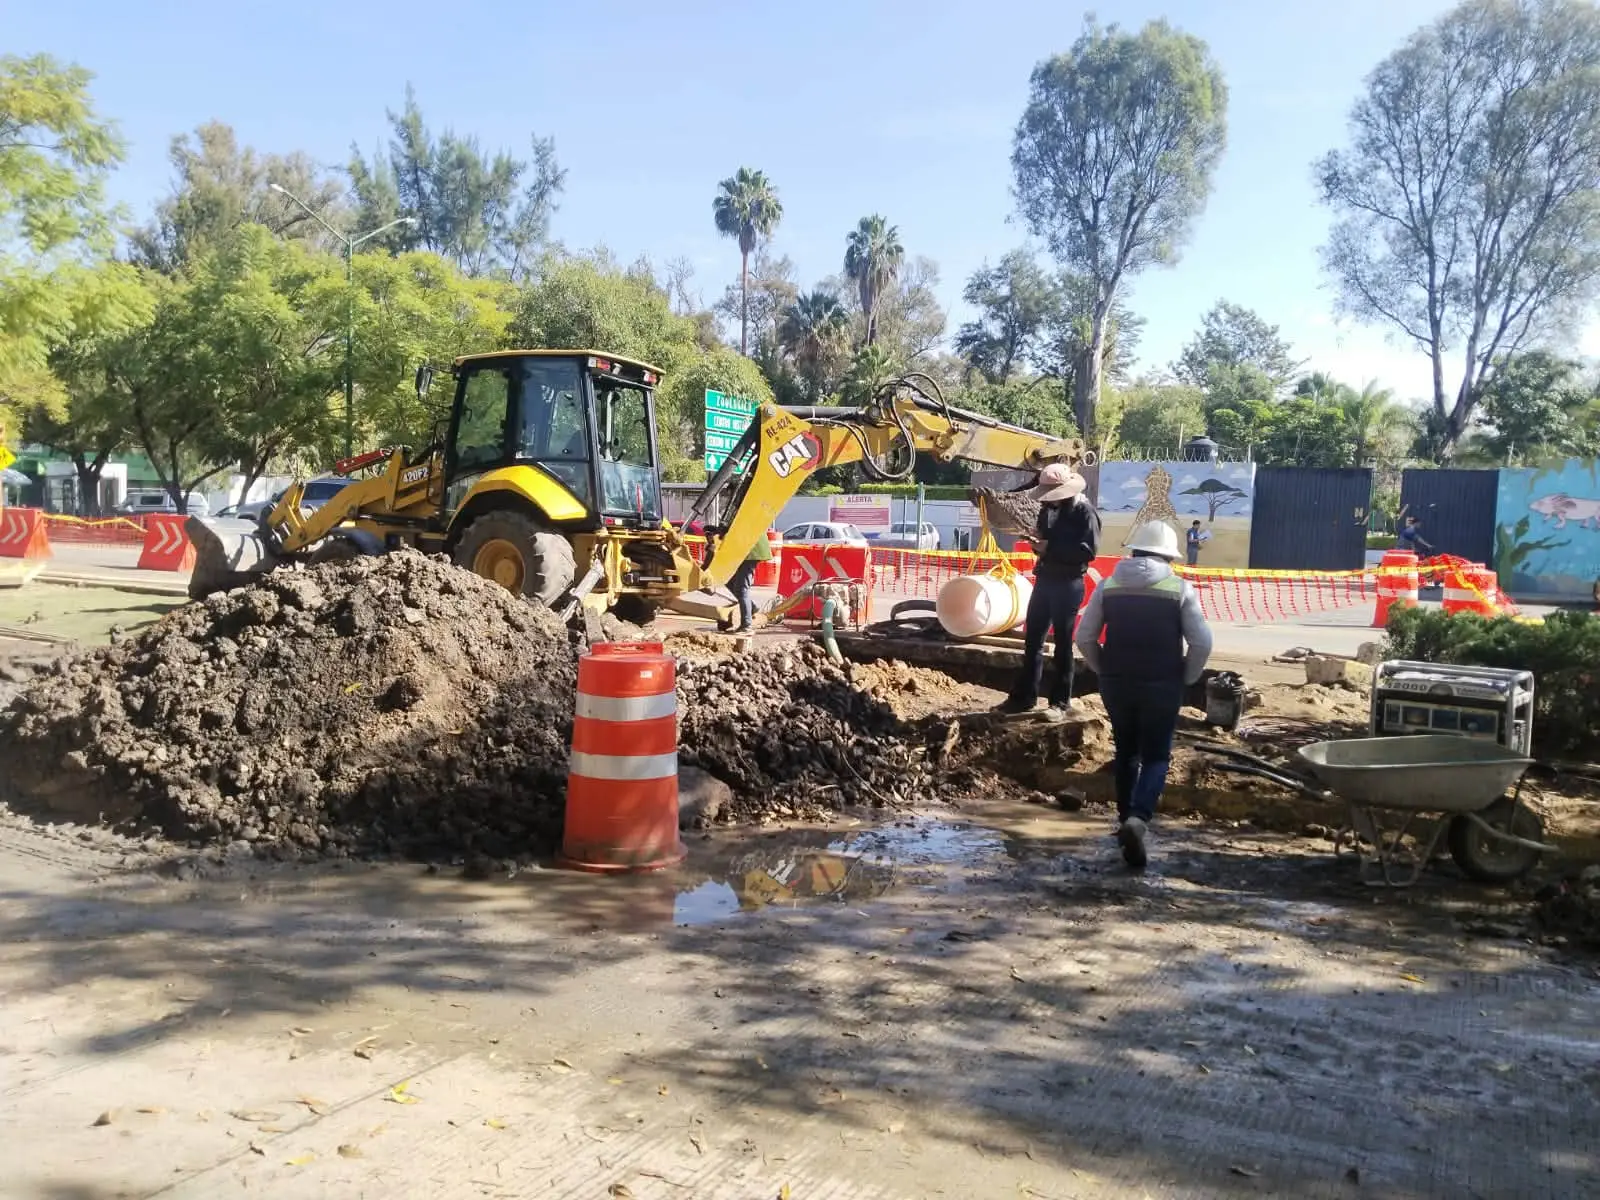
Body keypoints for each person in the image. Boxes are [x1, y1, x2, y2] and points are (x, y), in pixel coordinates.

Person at [1074, 520, 1213, 870]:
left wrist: (1103, 668)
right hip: (1163, 682)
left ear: (1134, 550)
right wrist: (1188, 675)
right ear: (1168, 556)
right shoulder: (1179, 588)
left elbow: (1085, 637)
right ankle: (1139, 818)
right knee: (1156, 756)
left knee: (1126, 752)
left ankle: (1125, 821)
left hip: (1117, 682)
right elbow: (1201, 642)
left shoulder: (1109, 585)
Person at [997, 463, 1101, 718]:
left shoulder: (1085, 513)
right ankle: (1024, 697)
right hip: (1045, 579)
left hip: (1068, 583)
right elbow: (1045, 539)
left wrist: (1049, 547)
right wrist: (1037, 542)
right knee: (1033, 641)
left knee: (1063, 644)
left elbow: (1088, 551)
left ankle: (1060, 701)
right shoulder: (1048, 509)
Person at [725, 530, 772, 633]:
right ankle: (752, 608)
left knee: (742, 589)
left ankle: (746, 625)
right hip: (744, 550)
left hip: (750, 551)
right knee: (729, 581)